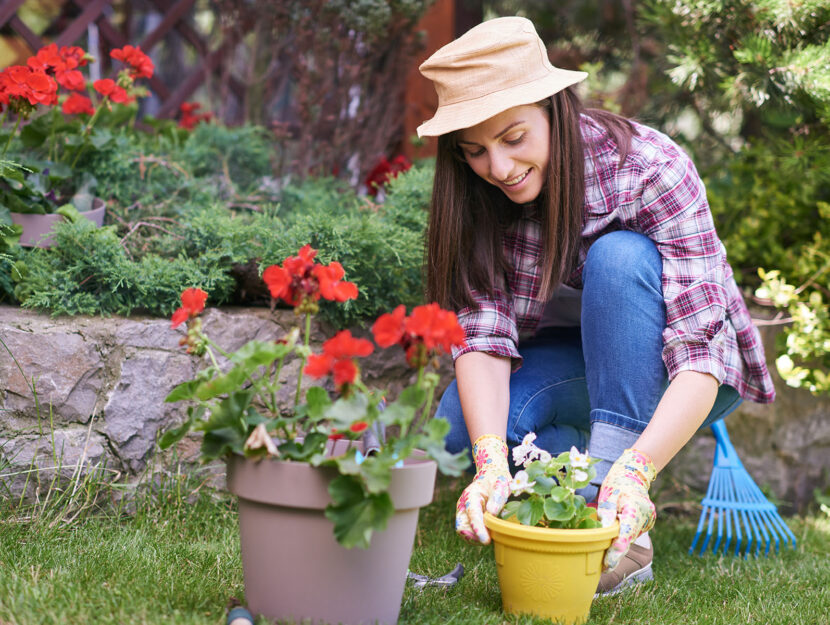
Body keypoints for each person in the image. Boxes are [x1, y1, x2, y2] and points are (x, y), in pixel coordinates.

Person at [415, 16, 775, 595]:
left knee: (619, 257)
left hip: (680, 370)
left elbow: (702, 349)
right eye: (475, 152)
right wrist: (489, 465)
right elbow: (481, 333)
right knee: (466, 426)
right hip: (573, 360)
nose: (499, 170)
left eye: (513, 139)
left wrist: (634, 473)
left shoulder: (651, 167)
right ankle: (581, 496)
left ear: (556, 107)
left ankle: (613, 503)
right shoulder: (475, 199)